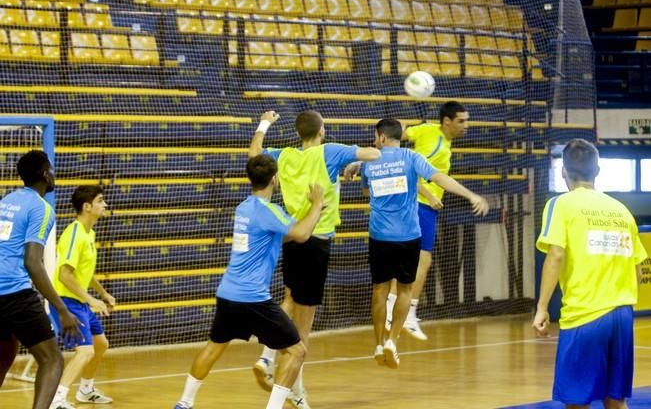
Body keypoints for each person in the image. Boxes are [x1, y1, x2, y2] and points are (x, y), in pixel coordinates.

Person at [248, 110, 380, 408]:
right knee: (302, 330)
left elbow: (254, 153)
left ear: (298, 133)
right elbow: (374, 154)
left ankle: (271, 361)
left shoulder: (286, 156)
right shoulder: (329, 151)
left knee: (291, 299)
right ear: (321, 131)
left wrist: (264, 123)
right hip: (317, 240)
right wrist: (357, 160)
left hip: (293, 237)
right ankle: (288, 388)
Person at [174, 154, 325, 409]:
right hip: (253, 298)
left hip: (228, 293)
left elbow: (275, 238)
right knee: (297, 351)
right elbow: (300, 234)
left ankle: (183, 403)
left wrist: (312, 217)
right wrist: (317, 205)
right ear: (274, 179)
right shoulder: (269, 210)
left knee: (213, 349)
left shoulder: (243, 207)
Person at [357, 118, 488, 368]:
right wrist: (471, 195)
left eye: (376, 137)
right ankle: (392, 341)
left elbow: (366, 191)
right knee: (405, 290)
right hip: (408, 236)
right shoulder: (410, 157)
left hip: (379, 236)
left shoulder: (370, 161)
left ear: (382, 138)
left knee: (380, 291)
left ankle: (377, 343)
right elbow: (440, 178)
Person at [533, 139, 648, 409]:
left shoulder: (561, 205)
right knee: (615, 401)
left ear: (563, 171)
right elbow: (639, 265)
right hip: (622, 315)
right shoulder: (621, 210)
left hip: (585, 315)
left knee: (577, 401)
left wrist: (541, 307)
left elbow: (556, 255)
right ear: (597, 171)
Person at [0, 150, 80, 409]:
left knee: (5, 353)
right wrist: (61, 309)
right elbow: (32, 261)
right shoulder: (41, 208)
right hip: (14, 292)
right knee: (52, 359)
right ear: (46, 174)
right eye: (52, 169)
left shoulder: (6, 201)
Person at [385, 101, 469, 341]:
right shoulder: (435, 142)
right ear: (447, 122)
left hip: (420, 206)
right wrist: (430, 195)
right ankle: (403, 313)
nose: (466, 125)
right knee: (421, 260)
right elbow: (409, 170)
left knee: (417, 260)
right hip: (418, 203)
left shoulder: (427, 130)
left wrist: (403, 126)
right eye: (461, 121)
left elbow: (401, 131)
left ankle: (402, 311)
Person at [49, 186, 114, 409]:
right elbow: (64, 275)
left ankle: (86, 390)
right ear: (87, 207)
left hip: (80, 301)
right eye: (100, 201)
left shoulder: (89, 232)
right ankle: (56, 399)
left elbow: (84, 271)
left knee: (101, 344)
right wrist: (92, 299)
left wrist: (102, 293)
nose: (105, 205)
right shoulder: (74, 234)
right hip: (66, 302)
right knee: (85, 351)